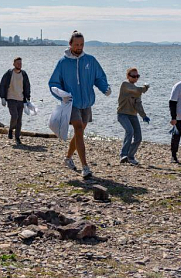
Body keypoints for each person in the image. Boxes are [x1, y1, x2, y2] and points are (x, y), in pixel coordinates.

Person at [48, 31, 111, 179]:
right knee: (78, 128)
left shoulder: (90, 60)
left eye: (81, 44)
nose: (79, 47)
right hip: (71, 103)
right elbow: (53, 83)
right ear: (70, 44)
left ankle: (68, 158)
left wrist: (104, 88)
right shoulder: (62, 63)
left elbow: (99, 77)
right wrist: (61, 95)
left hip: (87, 102)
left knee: (80, 132)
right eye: (76, 44)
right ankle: (85, 167)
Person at [117, 67, 150, 165]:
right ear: (128, 76)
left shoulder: (137, 91)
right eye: (133, 76)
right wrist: (145, 87)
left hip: (133, 115)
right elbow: (136, 90)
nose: (136, 78)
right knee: (129, 131)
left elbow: (138, 104)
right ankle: (123, 155)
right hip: (122, 114)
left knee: (138, 137)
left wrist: (144, 116)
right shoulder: (125, 85)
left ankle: (130, 156)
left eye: (137, 76)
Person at [0, 57, 31, 145]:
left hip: (21, 99)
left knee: (19, 120)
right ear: (14, 64)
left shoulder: (24, 74)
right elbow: (2, 84)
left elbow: (27, 86)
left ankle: (17, 137)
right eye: (17, 63)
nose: (19, 65)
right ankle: (10, 129)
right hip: (11, 98)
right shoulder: (9, 73)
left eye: (20, 63)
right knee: (14, 116)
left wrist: (28, 98)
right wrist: (2, 97)